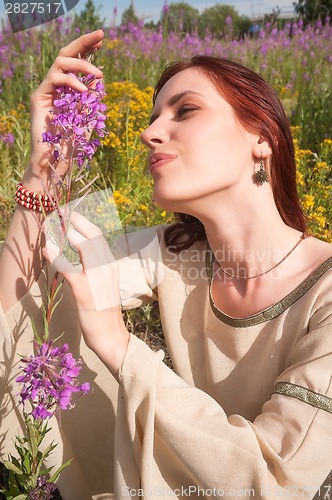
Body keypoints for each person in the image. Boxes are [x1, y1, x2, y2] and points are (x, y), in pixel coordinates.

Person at [0, 29, 331, 499]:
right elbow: (15, 305)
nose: (148, 132)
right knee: (50, 310)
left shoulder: (326, 291)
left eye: (186, 110)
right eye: (154, 116)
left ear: (261, 137)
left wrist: (117, 344)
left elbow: (275, 486)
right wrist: (46, 166)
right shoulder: (175, 249)